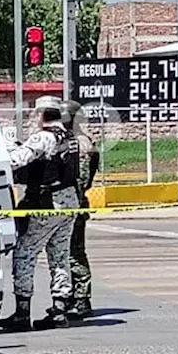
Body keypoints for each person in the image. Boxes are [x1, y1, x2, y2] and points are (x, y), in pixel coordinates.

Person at [0, 97, 80, 332]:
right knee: (59, 254)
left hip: (48, 204)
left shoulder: (43, 136)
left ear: (42, 114)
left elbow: (16, 161)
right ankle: (60, 309)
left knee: (24, 252)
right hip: (69, 201)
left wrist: (2, 152)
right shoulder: (69, 137)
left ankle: (22, 313)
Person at [61, 100, 99, 320]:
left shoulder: (81, 144)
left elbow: (82, 181)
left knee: (75, 253)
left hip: (74, 205)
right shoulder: (70, 141)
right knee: (64, 254)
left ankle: (82, 299)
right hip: (67, 205)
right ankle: (69, 297)